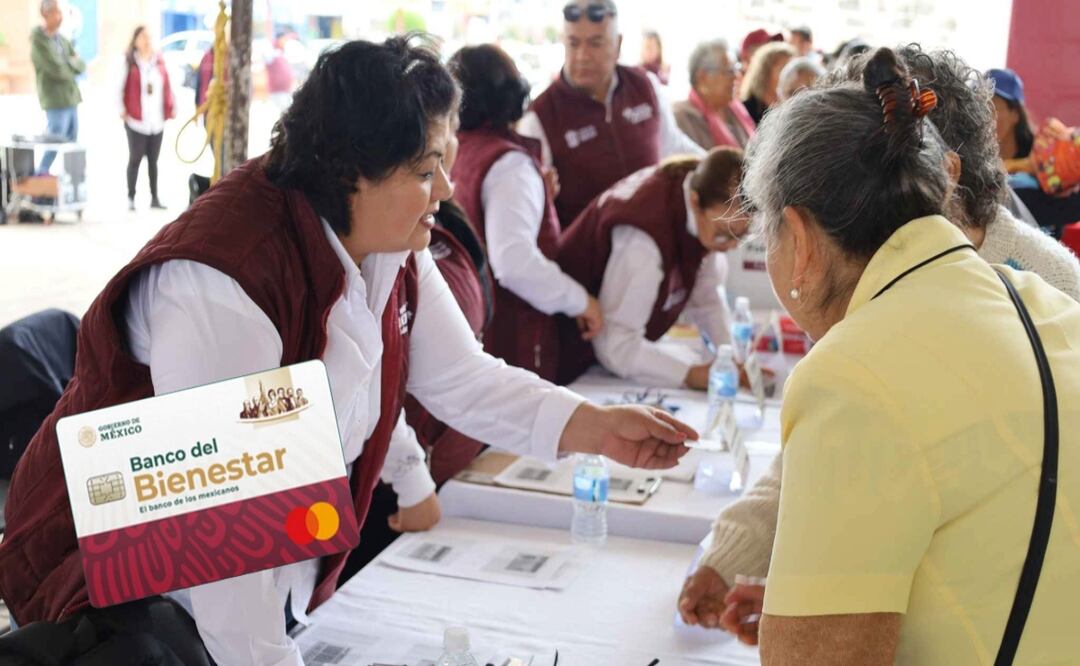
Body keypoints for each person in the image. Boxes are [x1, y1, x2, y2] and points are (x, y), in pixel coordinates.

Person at [0, 36, 695, 666]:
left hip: (248, 580)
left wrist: (597, 430)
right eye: (427, 171)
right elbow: (221, 542)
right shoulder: (225, 279)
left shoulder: (386, 245)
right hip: (126, 589)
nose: (448, 193)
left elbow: (462, 379)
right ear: (353, 174)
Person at [679, 47, 1080, 664]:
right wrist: (816, 603)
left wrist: (810, 626)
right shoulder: (1034, 297)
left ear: (803, 239)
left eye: (771, 236)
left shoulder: (851, 372)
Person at [449, 44, 603, 380]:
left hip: (471, 332)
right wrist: (581, 301)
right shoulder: (509, 165)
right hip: (510, 341)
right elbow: (515, 263)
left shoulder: (458, 150)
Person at [557, 147, 749, 387]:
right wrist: (690, 374)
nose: (729, 246)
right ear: (695, 201)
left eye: (740, 236)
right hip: (568, 348)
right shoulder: (644, 239)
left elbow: (707, 298)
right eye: (723, 235)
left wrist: (729, 359)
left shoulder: (701, 189)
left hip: (607, 351)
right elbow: (617, 346)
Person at [518, 0, 704, 227]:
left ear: (617, 44)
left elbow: (672, 145)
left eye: (595, 43)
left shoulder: (645, 86)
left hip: (655, 247)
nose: (582, 56)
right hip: (587, 257)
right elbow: (532, 210)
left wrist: (722, 164)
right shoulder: (540, 117)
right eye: (573, 43)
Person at [988, 67, 1080, 237]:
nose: (984, 115)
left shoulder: (1045, 158)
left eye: (992, 106)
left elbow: (1072, 208)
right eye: (978, 105)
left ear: (1015, 113)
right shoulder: (968, 158)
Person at [119, 26, 175, 211]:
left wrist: (172, 105)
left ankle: (154, 197)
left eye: (149, 37)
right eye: (143, 37)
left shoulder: (159, 61)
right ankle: (130, 197)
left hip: (156, 119)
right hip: (136, 119)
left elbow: (168, 85)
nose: (147, 41)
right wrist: (121, 109)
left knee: (153, 160)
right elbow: (117, 87)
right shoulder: (128, 62)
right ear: (135, 40)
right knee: (135, 158)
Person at [30, 0, 84, 175]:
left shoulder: (62, 40)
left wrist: (67, 63)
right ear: (45, 14)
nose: (59, 17)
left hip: (71, 98)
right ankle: (40, 178)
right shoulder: (38, 41)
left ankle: (71, 182)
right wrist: (70, 64)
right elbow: (56, 69)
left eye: (60, 13)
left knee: (72, 143)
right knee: (55, 142)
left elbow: (81, 65)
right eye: (55, 13)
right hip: (55, 101)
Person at [673, 39, 756, 151]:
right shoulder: (682, 117)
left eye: (736, 69)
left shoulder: (735, 109)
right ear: (702, 77)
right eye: (729, 71)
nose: (736, 76)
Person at [740, 41, 795, 125]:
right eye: (783, 69)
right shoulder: (746, 109)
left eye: (791, 70)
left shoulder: (792, 107)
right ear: (765, 72)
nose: (789, 76)